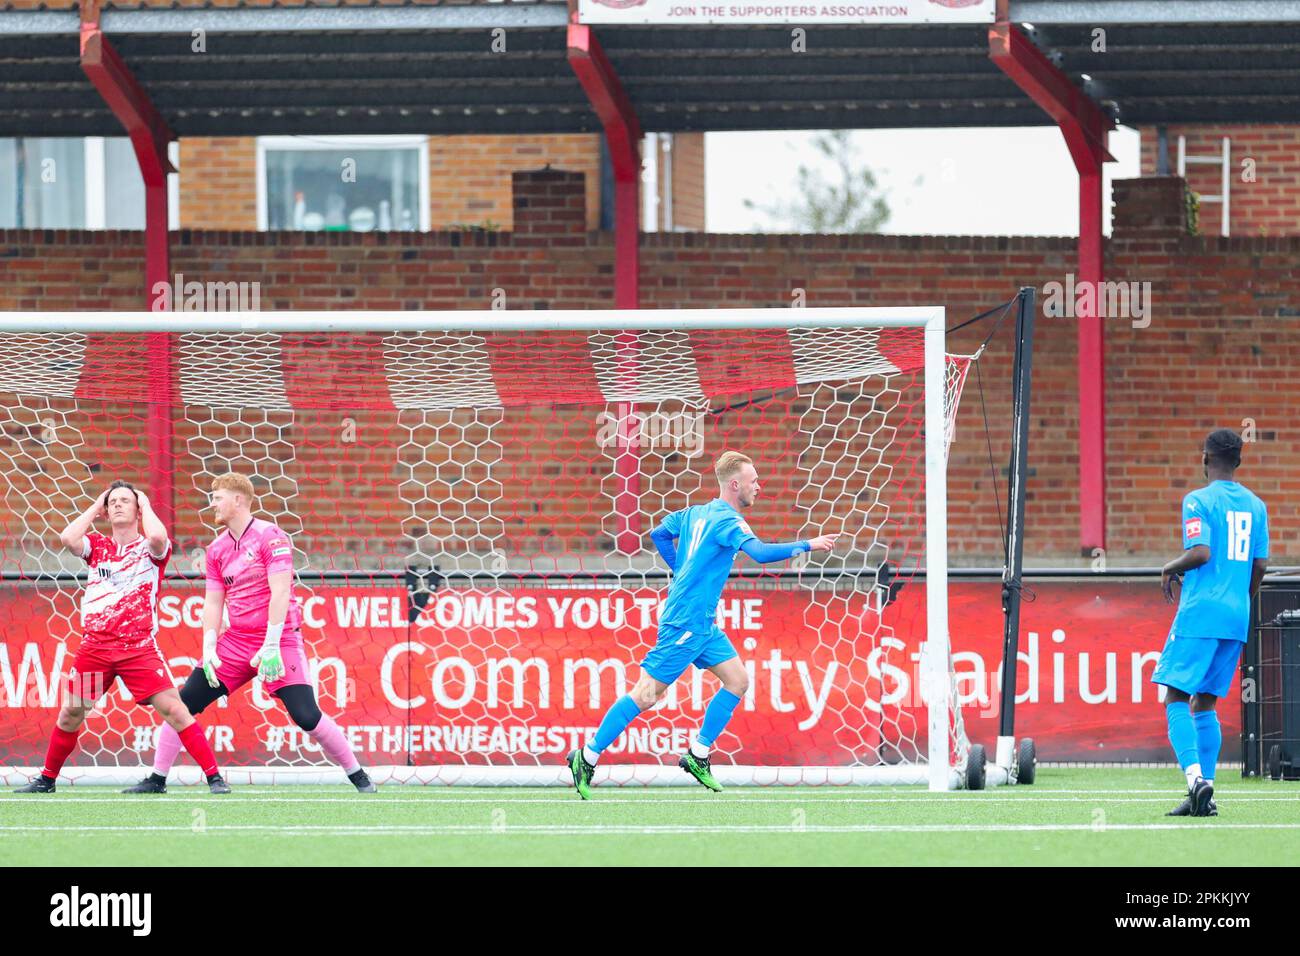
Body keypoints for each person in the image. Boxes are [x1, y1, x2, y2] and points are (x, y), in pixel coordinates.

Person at [567, 451, 838, 799]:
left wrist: (680, 570)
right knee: (648, 694)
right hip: (685, 623)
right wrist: (808, 544)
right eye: (754, 481)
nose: (759, 486)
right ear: (735, 484)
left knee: (738, 680)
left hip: (703, 624)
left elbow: (659, 533)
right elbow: (760, 553)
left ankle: (698, 755)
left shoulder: (695, 513)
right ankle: (586, 757)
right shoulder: (729, 521)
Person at [16, 481, 228, 794]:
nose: (117, 505)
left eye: (124, 501)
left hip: (138, 650)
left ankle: (214, 778)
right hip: (95, 651)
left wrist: (144, 500)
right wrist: (95, 505)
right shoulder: (97, 547)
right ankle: (46, 780)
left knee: (175, 710)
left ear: (138, 508)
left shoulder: (150, 549)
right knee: (72, 711)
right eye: (112, 501)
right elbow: (67, 538)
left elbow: (157, 535)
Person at [1154, 429, 1268, 817]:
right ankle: (1205, 794)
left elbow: (1200, 552)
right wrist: (1240, 599)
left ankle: (1194, 780)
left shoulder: (1198, 500)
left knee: (1175, 696)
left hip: (1201, 612)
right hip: (1236, 616)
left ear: (1205, 458)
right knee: (1206, 703)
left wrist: (1169, 567)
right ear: (1238, 461)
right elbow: (1261, 565)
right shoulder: (1256, 506)